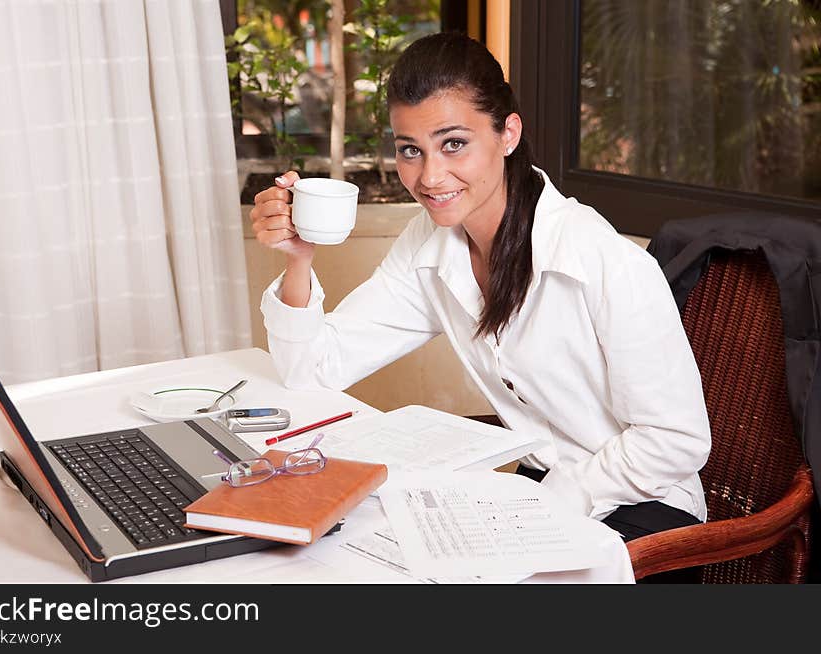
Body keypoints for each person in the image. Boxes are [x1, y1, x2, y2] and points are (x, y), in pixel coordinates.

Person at [249, 32, 711, 544]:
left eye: (454, 144)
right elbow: (312, 370)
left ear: (508, 133)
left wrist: (557, 499)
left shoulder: (603, 262)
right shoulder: (431, 245)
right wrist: (298, 260)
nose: (430, 176)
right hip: (535, 494)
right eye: (410, 150)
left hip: (643, 510)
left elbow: (677, 440)